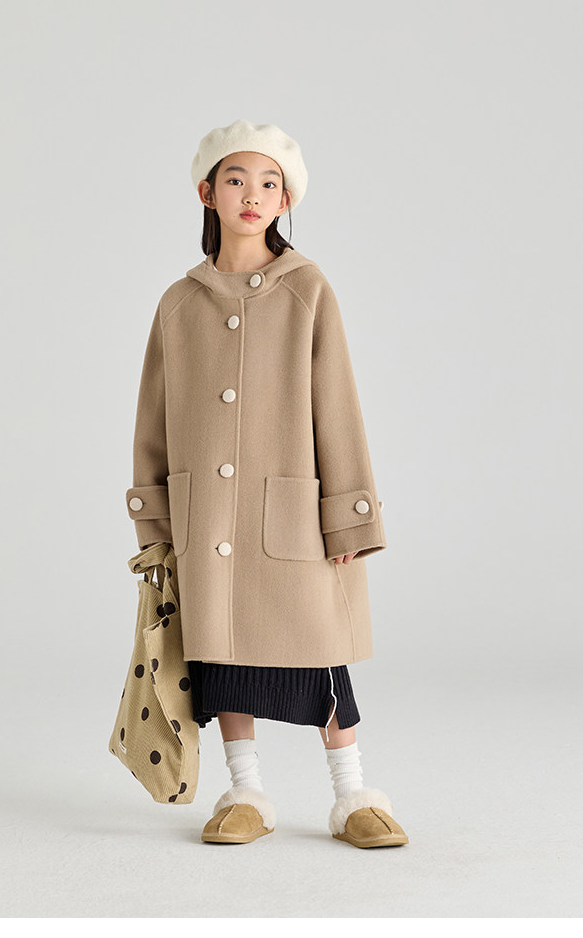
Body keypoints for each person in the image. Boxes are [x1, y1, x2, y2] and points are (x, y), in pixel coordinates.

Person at [126, 119, 408, 849]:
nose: (252, 195)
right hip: (209, 519)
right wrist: (157, 524)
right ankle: (246, 789)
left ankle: (352, 794)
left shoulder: (307, 289)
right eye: (236, 180)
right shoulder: (178, 303)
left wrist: (347, 517)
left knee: (319, 652)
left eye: (268, 183)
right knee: (222, 654)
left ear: (285, 201)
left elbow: (337, 405)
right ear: (206, 193)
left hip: (291, 515)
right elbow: (153, 419)